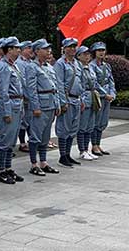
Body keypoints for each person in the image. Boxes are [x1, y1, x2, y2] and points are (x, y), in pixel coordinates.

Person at [0, 37, 25, 184]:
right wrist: (6, 111)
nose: (19, 50)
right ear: (9, 50)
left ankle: (8, 168)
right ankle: (1, 171)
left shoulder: (13, 65)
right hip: (10, 104)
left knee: (11, 141)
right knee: (5, 141)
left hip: (17, 104)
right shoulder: (3, 66)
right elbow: (2, 91)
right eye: (16, 48)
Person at [25, 39, 59, 176]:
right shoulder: (31, 67)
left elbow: (55, 87)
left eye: (49, 49)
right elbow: (31, 89)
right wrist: (35, 107)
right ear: (37, 51)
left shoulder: (48, 66)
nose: (48, 51)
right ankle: (34, 164)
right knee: (36, 136)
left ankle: (43, 162)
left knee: (45, 136)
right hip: (41, 105)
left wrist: (57, 104)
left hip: (50, 104)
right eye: (45, 49)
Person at [54, 38, 83, 167]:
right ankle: (62, 156)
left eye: (74, 46)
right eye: (70, 46)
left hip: (76, 98)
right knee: (64, 129)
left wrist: (81, 98)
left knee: (73, 129)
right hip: (67, 99)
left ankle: (68, 154)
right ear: (64, 48)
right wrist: (62, 102)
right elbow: (59, 84)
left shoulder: (77, 63)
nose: (72, 49)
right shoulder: (60, 64)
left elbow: (81, 81)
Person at [89, 42, 116, 156]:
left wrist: (112, 93)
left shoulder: (106, 66)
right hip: (98, 96)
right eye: (98, 50)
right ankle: (94, 145)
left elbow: (111, 81)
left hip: (107, 96)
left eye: (103, 50)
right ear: (94, 52)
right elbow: (94, 82)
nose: (101, 52)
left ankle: (98, 144)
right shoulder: (91, 66)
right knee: (96, 121)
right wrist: (105, 94)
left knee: (103, 122)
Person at [75, 46, 97, 161]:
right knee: (82, 127)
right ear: (78, 56)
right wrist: (82, 99)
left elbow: (95, 83)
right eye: (84, 54)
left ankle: (87, 150)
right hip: (84, 97)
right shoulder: (78, 68)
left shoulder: (90, 67)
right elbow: (80, 85)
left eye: (88, 54)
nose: (87, 56)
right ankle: (82, 150)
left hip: (92, 97)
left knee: (90, 127)